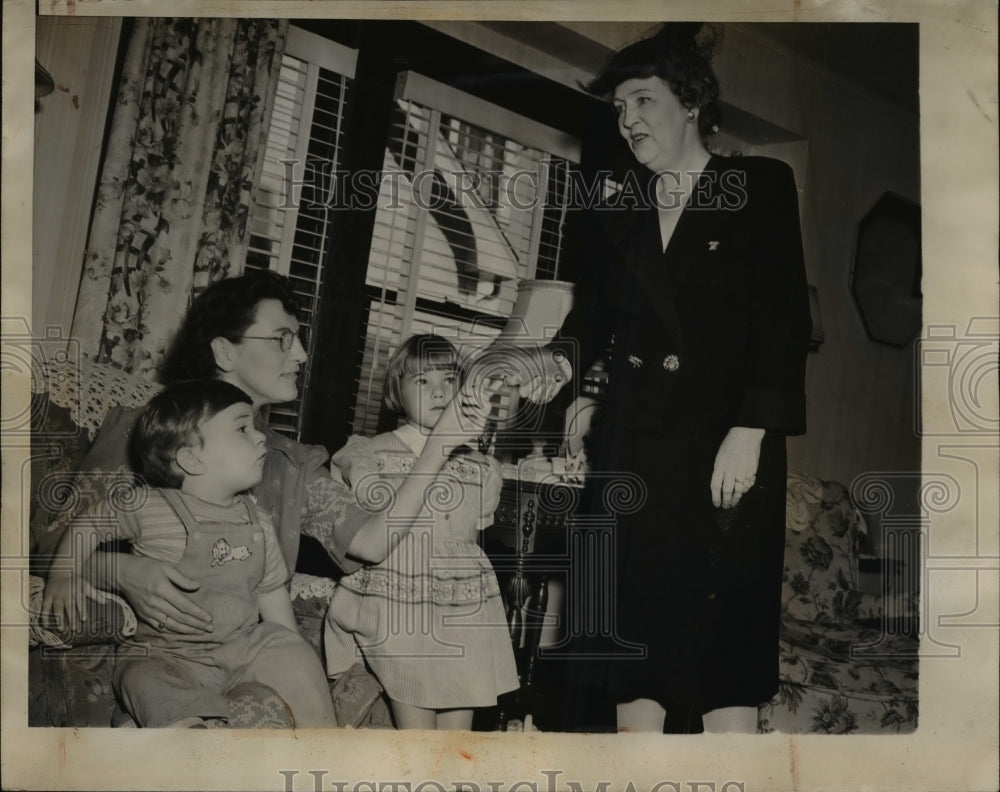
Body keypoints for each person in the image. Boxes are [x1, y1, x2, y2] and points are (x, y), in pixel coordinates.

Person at [495, 23, 811, 733]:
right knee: (628, 657)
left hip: (722, 444)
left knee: (719, 651)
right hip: (632, 447)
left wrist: (751, 429)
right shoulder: (617, 209)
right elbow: (590, 324)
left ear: (691, 100)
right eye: (618, 109)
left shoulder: (758, 186)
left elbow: (783, 320)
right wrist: (553, 368)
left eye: (641, 101)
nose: (627, 120)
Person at [42, 380, 336, 728]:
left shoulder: (256, 519)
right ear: (191, 458)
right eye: (243, 427)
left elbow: (270, 592)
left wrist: (290, 655)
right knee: (140, 674)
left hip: (239, 648)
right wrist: (63, 574)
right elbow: (88, 524)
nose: (260, 437)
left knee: (294, 655)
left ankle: (325, 745)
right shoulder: (150, 505)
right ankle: (187, 735)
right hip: (169, 654)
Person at [324, 335, 519, 730]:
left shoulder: (481, 466)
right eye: (421, 381)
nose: (438, 392)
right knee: (418, 737)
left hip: (460, 606)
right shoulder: (371, 452)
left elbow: (474, 528)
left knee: (455, 738)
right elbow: (369, 515)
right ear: (397, 389)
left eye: (449, 380)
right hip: (399, 604)